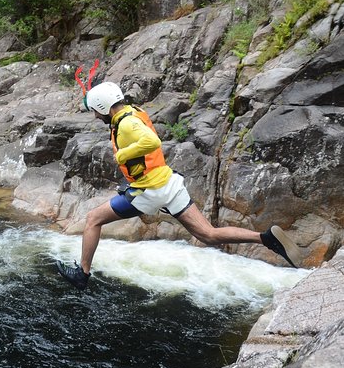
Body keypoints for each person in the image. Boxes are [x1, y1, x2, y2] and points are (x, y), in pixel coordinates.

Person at [56, 82, 301, 290]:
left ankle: (82, 275)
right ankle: (267, 239)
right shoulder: (132, 112)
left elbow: (152, 141)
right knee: (208, 234)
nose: (95, 116)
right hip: (168, 183)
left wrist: (123, 155)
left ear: (102, 107)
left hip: (149, 192)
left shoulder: (126, 124)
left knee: (93, 219)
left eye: (95, 111)